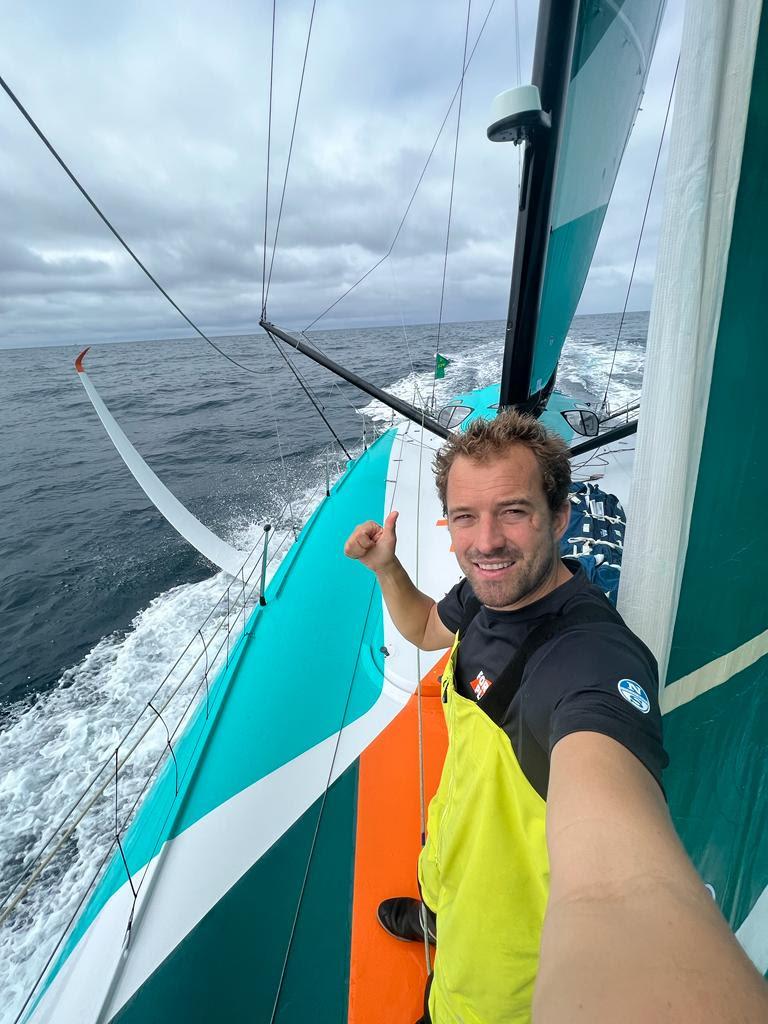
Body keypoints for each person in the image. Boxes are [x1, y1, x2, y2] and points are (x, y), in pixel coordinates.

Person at [344, 409, 768, 1023]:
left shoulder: (588, 658)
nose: (486, 541)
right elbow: (424, 626)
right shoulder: (483, 594)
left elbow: (619, 878)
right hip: (455, 857)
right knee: (441, 893)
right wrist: (386, 567)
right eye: (466, 517)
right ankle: (434, 914)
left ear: (559, 517)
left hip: (503, 961)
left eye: (513, 511)